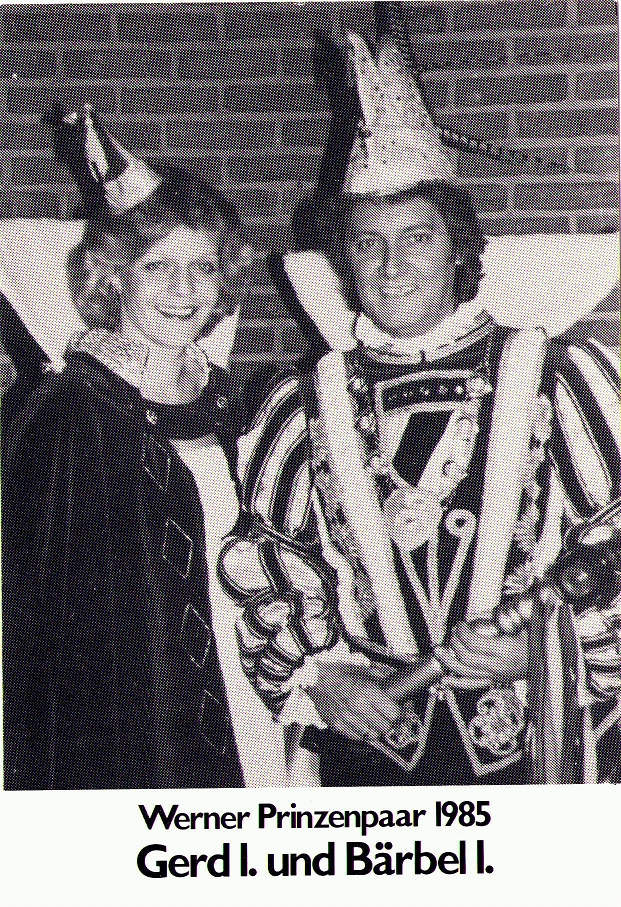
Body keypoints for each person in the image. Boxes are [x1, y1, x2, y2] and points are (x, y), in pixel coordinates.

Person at [219, 33, 621, 786]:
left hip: (533, 753)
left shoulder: (557, 379)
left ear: (459, 248)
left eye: (416, 238)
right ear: (343, 260)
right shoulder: (300, 405)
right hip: (366, 759)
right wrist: (319, 678)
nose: (391, 266)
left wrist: (540, 648)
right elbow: (273, 571)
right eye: (367, 243)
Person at [1, 105, 288, 789]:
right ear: (112, 277)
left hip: (254, 696)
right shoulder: (70, 412)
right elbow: (37, 626)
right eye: (157, 267)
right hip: (134, 729)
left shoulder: (227, 397)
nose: (184, 290)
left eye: (202, 267)